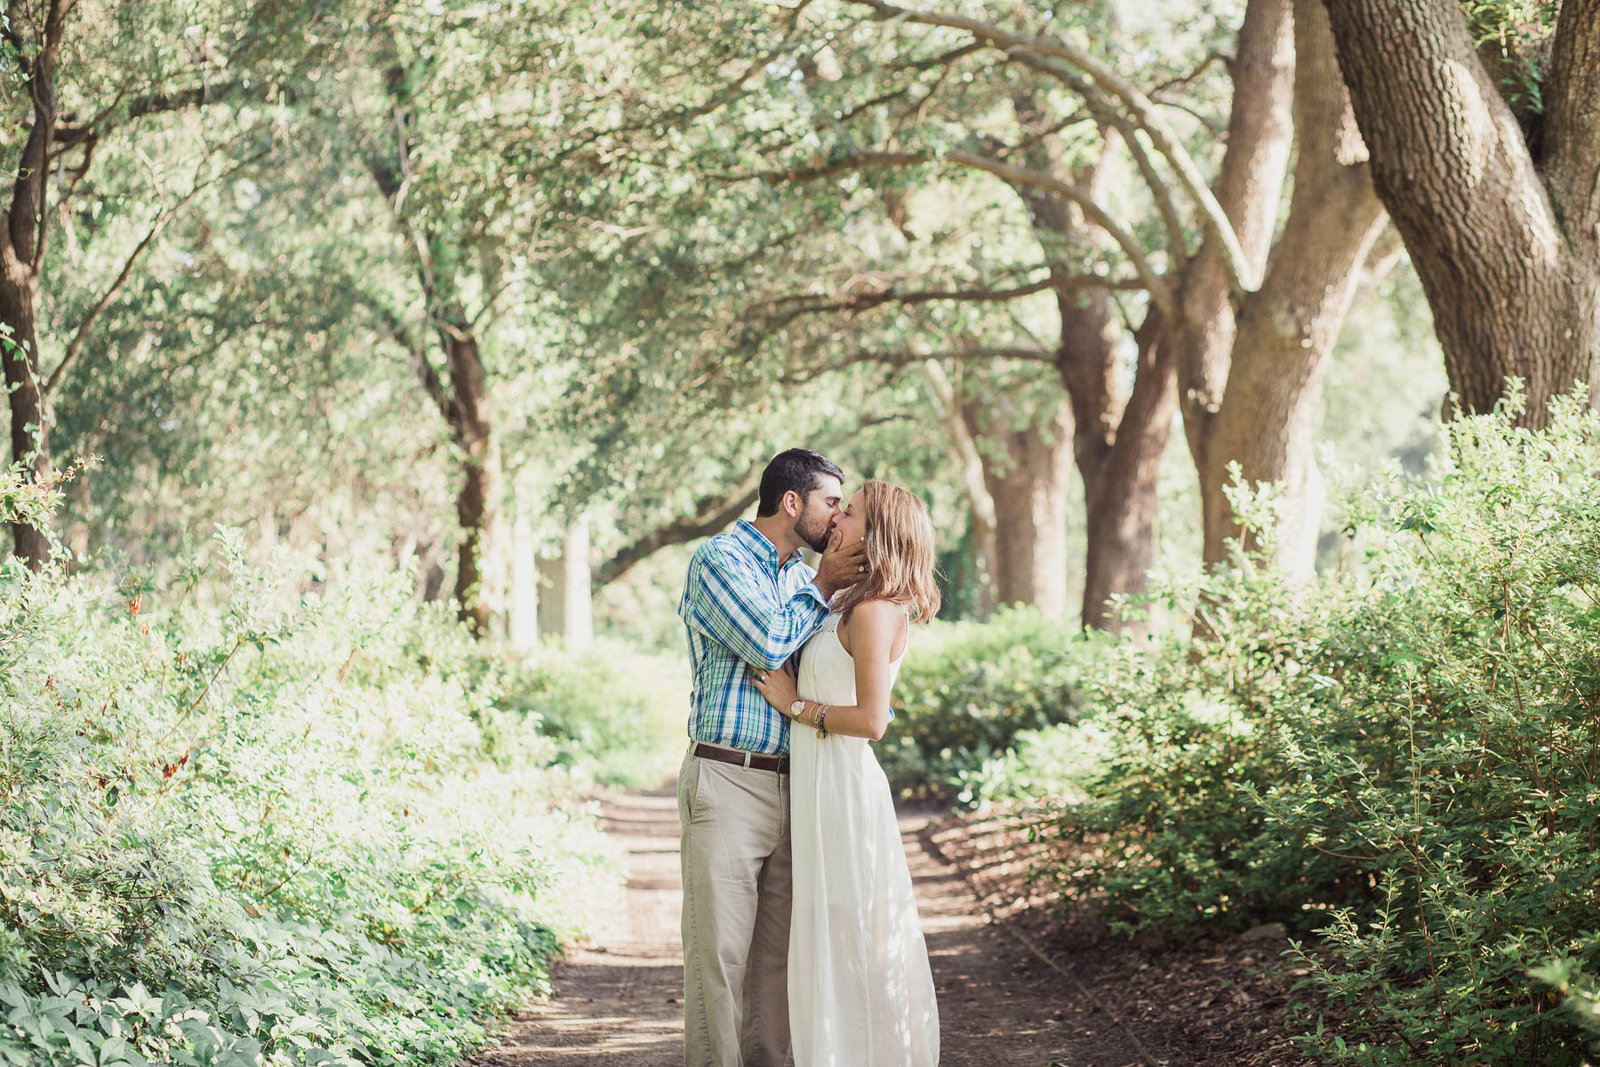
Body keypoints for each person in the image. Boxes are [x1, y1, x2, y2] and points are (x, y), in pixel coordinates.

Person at [676, 448, 868, 1067]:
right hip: (728, 778)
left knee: (779, 968)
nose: (837, 519)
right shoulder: (719, 560)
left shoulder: (797, 576)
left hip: (800, 784)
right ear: (793, 502)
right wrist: (825, 583)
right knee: (721, 961)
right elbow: (763, 640)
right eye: (830, 503)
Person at [750, 481, 941, 1067]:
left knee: (852, 932)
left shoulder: (878, 610)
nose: (836, 519)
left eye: (849, 512)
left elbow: (873, 720)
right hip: (813, 782)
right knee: (823, 937)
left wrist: (795, 706)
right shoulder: (841, 603)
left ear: (876, 532)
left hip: (843, 790)